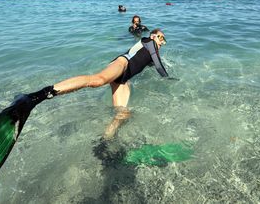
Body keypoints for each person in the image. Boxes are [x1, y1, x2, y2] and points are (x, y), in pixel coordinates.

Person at [16, 29, 169, 139]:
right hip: (122, 63)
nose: (162, 41)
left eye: (164, 40)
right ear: (153, 35)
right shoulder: (148, 42)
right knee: (98, 80)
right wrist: (168, 79)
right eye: (161, 37)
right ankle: (36, 96)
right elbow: (159, 65)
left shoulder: (151, 54)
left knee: (123, 114)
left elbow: (151, 63)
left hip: (124, 79)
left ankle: (104, 142)